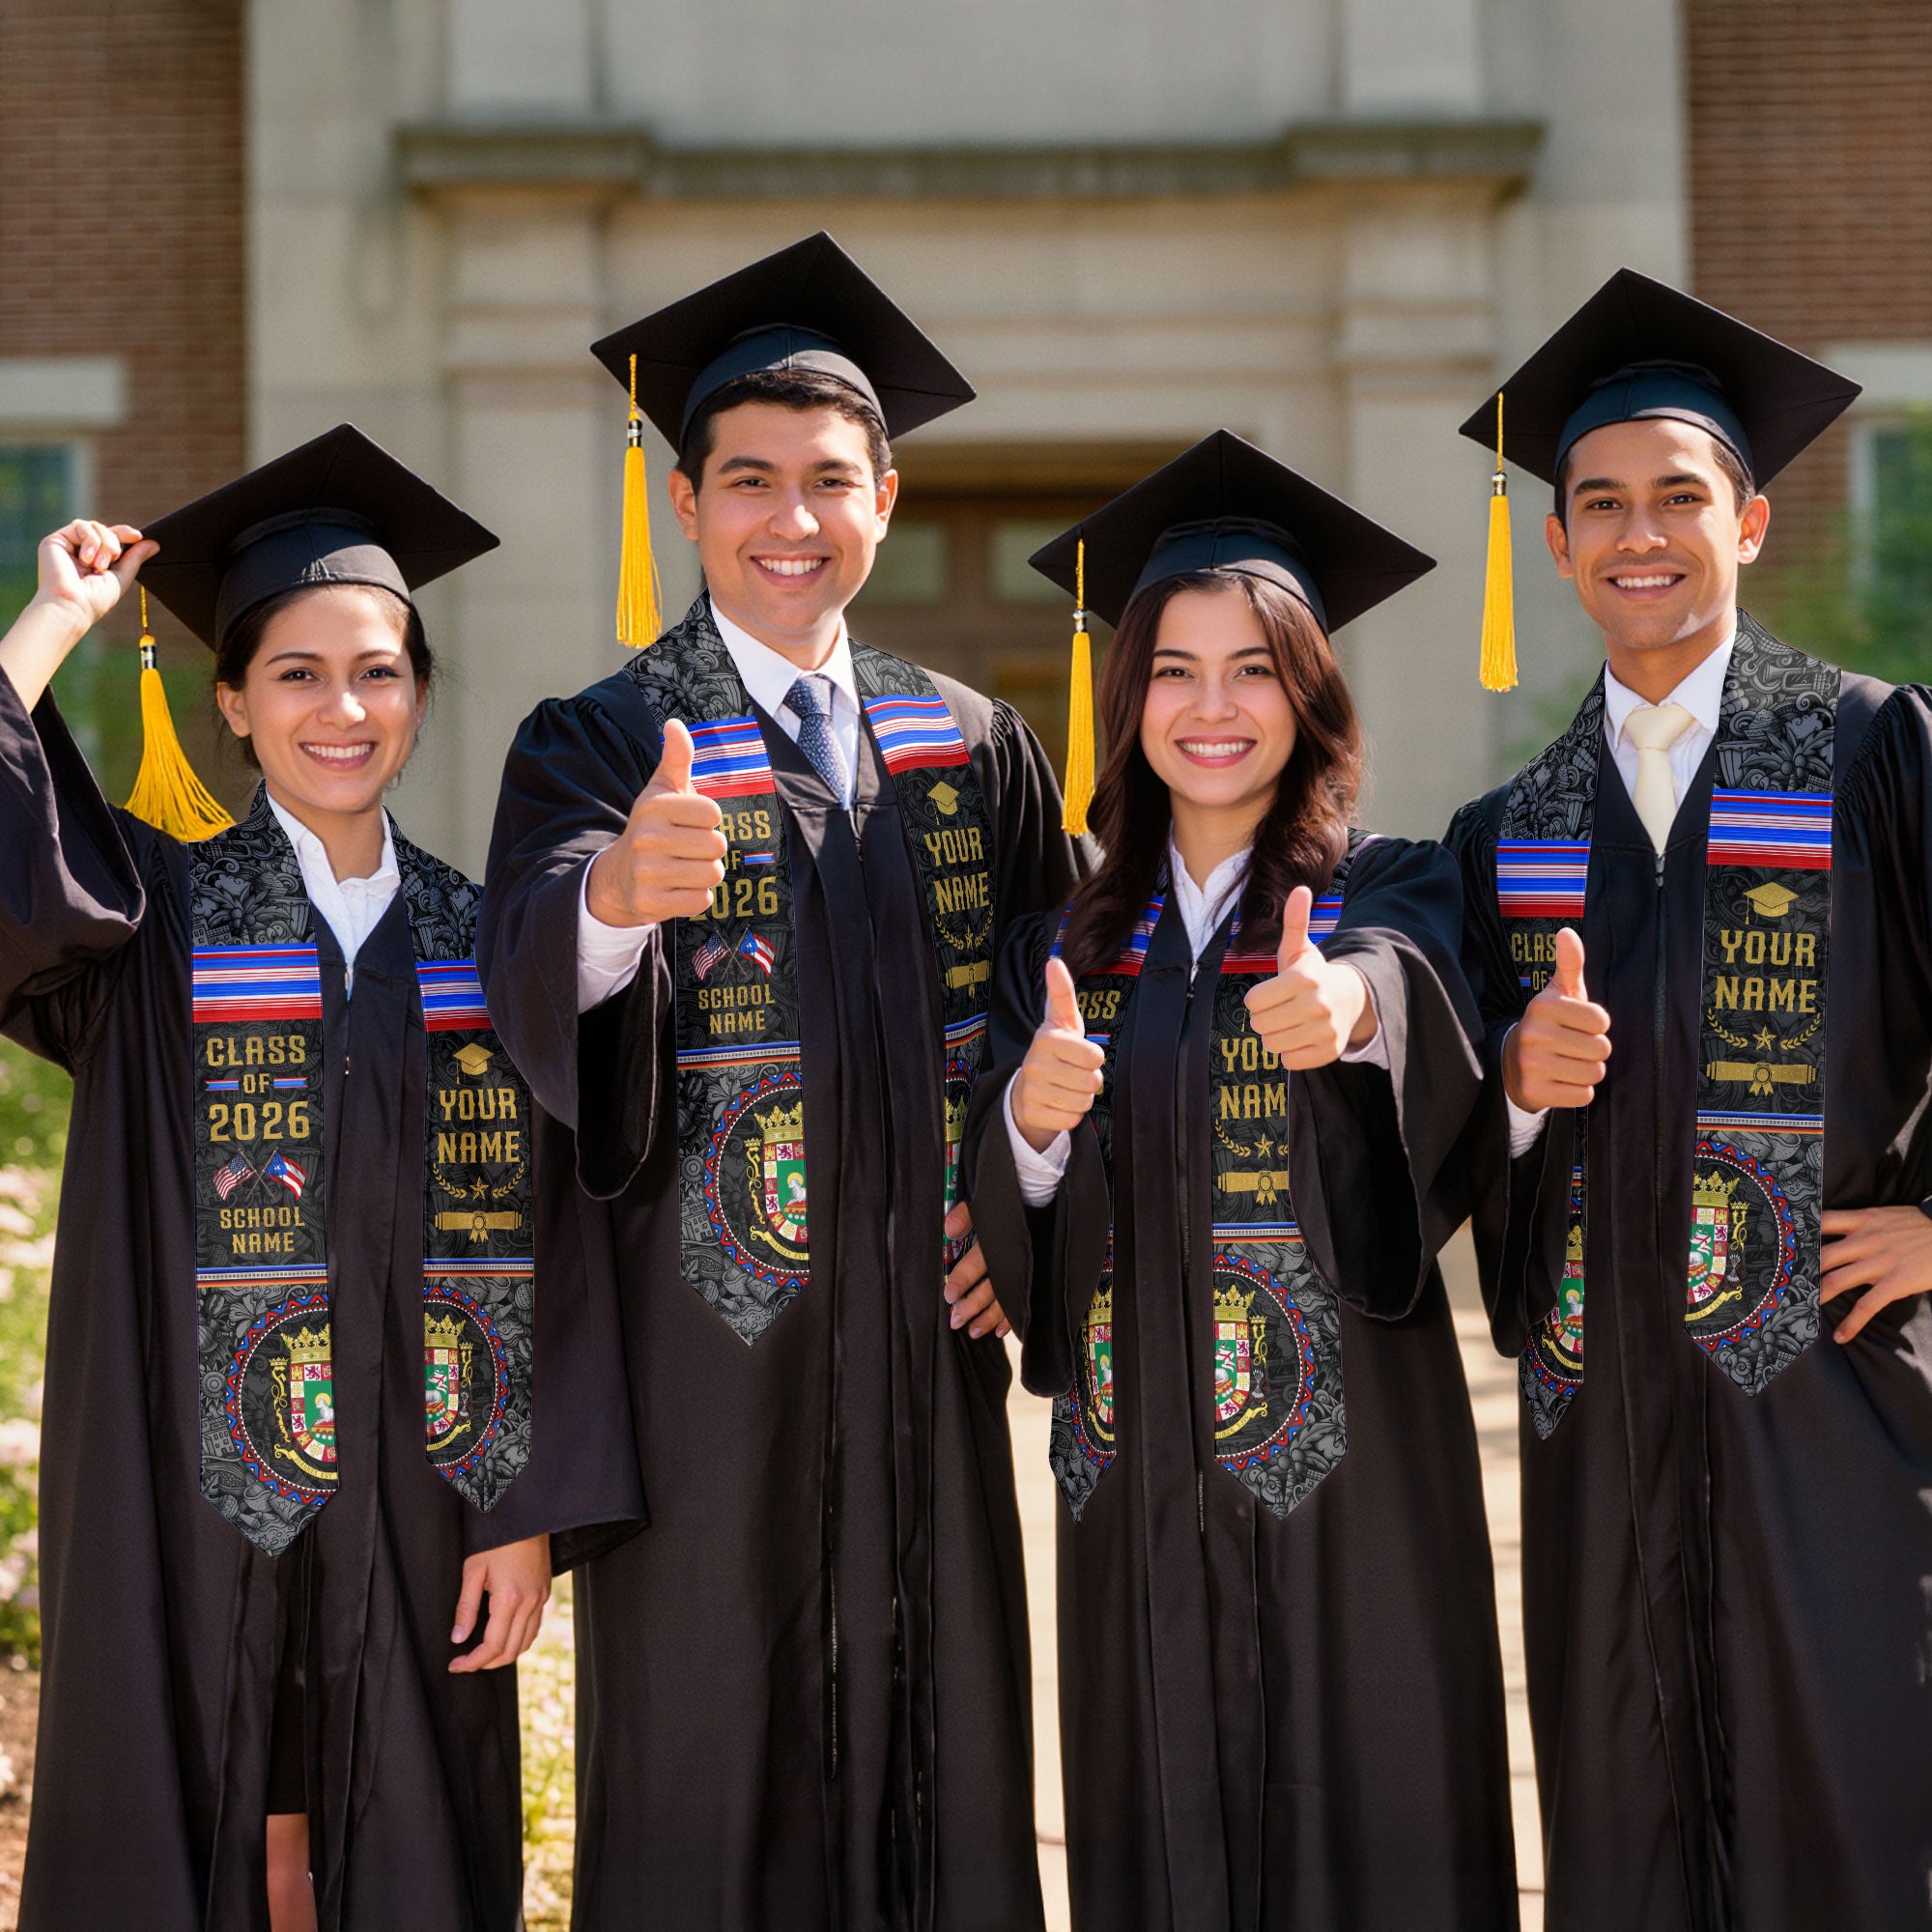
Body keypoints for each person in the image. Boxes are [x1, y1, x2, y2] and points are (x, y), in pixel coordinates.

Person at [479, 233, 1082, 1930]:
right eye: (750, 481)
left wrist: (1020, 1206)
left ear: (886, 497)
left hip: (923, 1358)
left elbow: (1076, 1002)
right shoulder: (600, 738)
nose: (791, 519)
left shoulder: (970, 741)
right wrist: (611, 898)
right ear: (686, 503)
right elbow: (525, 966)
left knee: (942, 1758)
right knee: (710, 1776)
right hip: (708, 1370)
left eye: (831, 481)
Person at [0, 426, 641, 1932]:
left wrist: (526, 1507)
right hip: (183, 1486)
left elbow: (560, 1237)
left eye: (378, 670)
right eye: (295, 672)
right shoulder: (150, 921)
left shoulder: (488, 945)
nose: (340, 708)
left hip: (427, 1498)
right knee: (196, 1812)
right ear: (231, 701)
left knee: (406, 1835)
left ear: (420, 693)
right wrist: (51, 624)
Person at [964, 432, 1518, 1930]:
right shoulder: (1061, 948)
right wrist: (1025, 1119)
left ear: (1311, 692)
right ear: (1126, 696)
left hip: (1356, 1482)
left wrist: (1350, 1014)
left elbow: (1417, 997)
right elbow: (1014, 1222)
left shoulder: (1390, 887)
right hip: (1136, 1475)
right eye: (1175, 670)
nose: (1214, 709)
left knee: (1377, 1821)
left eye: (1256, 668)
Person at [1446, 270, 1932, 1930]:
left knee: (1854, 1807)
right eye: (1599, 504)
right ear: (1562, 543)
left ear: (1751, 520)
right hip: (1606, 1430)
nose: (1636, 533)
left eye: (1678, 497)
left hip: (1836, 1406)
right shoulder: (1515, 826)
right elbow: (1448, 1135)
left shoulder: (1868, 749)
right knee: (1624, 1821)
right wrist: (1511, 1089)